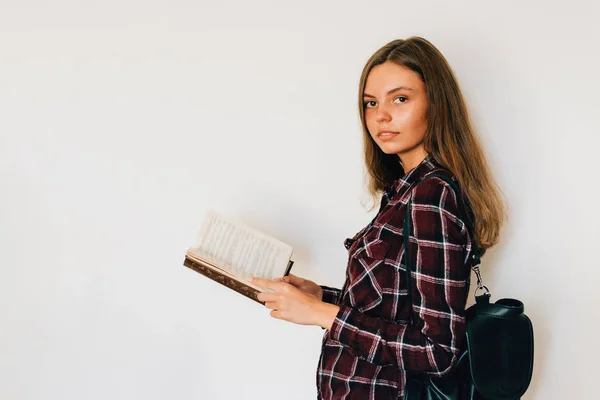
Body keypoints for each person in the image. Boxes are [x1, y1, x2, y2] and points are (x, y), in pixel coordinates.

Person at [251, 36, 505, 399]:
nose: (380, 115)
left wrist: (322, 314)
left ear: (437, 104)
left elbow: (438, 350)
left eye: (400, 98)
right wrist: (320, 296)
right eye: (371, 103)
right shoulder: (404, 190)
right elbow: (395, 308)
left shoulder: (431, 196)